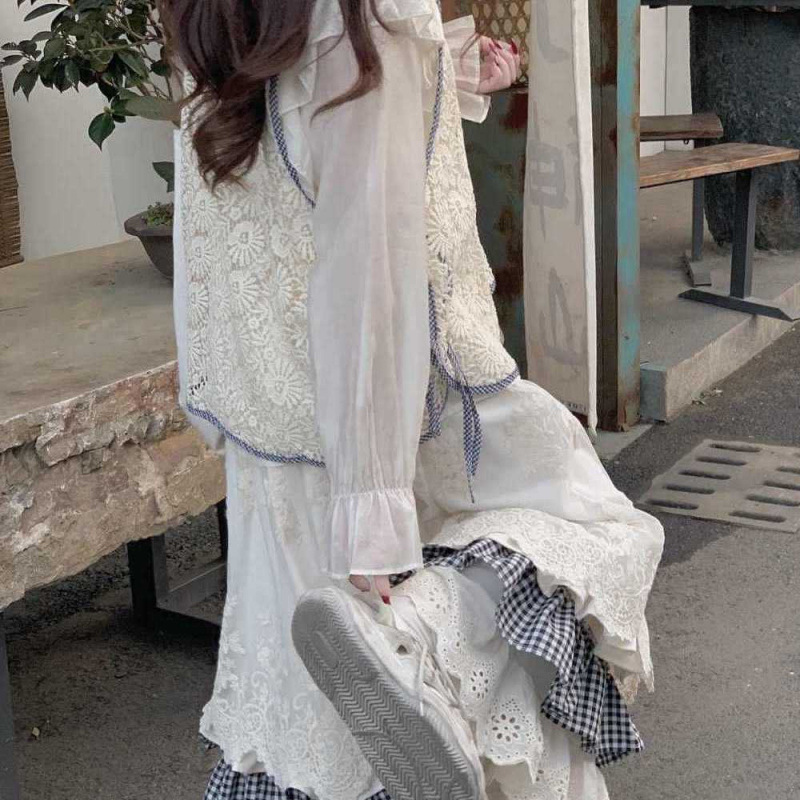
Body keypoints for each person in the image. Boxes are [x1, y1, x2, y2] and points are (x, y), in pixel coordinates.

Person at [164, 0, 664, 798]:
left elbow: (282, 157)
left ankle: (411, 647)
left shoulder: (221, 16)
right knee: (597, 532)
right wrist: (372, 510)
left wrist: (441, 74)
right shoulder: (369, 24)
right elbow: (368, 269)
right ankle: (423, 636)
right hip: (399, 419)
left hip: (276, 441)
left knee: (307, 726)